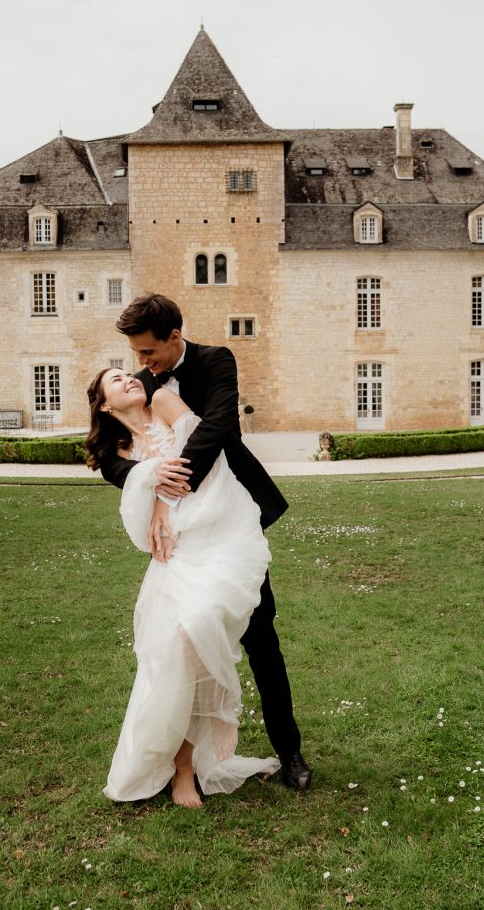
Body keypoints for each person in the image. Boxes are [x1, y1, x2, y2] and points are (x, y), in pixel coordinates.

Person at [98, 293, 311, 792]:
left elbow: (218, 426)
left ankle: (290, 751)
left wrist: (169, 485)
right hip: (187, 535)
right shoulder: (142, 387)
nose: (142, 365)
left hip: (231, 518)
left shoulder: (217, 359)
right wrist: (151, 480)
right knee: (184, 642)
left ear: (174, 337)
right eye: (136, 356)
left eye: (148, 353)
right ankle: (181, 764)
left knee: (262, 638)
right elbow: (111, 460)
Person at [86, 368, 281, 806]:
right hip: (179, 552)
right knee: (176, 650)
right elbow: (135, 482)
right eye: (116, 381)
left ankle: (188, 762)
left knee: (201, 626)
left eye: (128, 373)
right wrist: (152, 485)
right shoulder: (118, 451)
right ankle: (181, 768)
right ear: (104, 405)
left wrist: (159, 498)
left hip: (223, 532)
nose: (129, 378)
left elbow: (200, 454)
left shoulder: (166, 404)